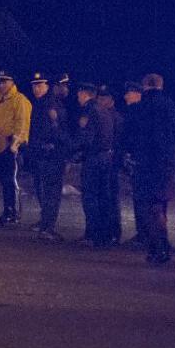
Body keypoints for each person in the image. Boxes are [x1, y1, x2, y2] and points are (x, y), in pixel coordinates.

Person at [121, 73, 175, 264]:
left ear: (145, 87)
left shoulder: (137, 109)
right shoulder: (173, 107)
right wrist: (174, 152)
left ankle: (157, 247)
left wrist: (126, 155)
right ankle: (161, 246)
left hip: (143, 164)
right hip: (166, 164)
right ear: (161, 86)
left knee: (146, 206)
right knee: (160, 205)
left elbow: (124, 136)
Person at [27, 72, 70, 241]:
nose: (36, 89)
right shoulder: (51, 105)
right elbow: (57, 133)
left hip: (44, 154)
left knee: (45, 190)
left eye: (39, 85)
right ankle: (47, 227)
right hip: (51, 155)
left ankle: (45, 224)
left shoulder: (44, 104)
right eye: (34, 85)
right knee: (51, 192)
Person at [0, 70, 32, 226]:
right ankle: (7, 212)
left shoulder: (20, 100)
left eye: (5, 81)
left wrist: (16, 145)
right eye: (0, 81)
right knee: (5, 181)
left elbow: (22, 124)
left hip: (11, 146)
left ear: (12, 82)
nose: (2, 84)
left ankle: (14, 214)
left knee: (12, 181)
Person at [74, 82, 117, 246]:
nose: (78, 98)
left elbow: (86, 138)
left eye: (79, 95)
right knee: (103, 197)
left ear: (85, 94)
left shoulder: (89, 111)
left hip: (93, 159)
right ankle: (105, 235)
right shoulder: (104, 110)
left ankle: (92, 235)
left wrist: (73, 151)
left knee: (90, 197)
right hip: (106, 158)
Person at [120, 81, 147, 246]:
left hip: (141, 161)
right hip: (143, 160)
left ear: (138, 94)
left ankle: (144, 234)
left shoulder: (138, 112)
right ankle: (145, 233)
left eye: (128, 93)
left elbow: (130, 136)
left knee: (142, 198)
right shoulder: (135, 112)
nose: (125, 96)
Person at [96, 84, 124, 244]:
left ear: (111, 100)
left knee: (112, 198)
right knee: (103, 197)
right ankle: (105, 231)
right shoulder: (102, 115)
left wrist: (116, 160)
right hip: (104, 162)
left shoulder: (116, 117)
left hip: (112, 163)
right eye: (99, 98)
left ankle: (114, 232)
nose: (100, 100)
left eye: (103, 98)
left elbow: (119, 142)